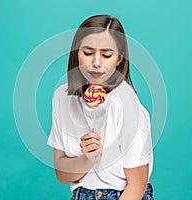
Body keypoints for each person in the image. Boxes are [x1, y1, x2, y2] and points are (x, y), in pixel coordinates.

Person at [47, 15, 154, 200]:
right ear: (76, 53)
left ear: (119, 59)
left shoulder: (126, 104)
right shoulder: (62, 97)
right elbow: (62, 175)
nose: (96, 62)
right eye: (88, 53)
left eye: (106, 55)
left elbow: (137, 185)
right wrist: (88, 159)